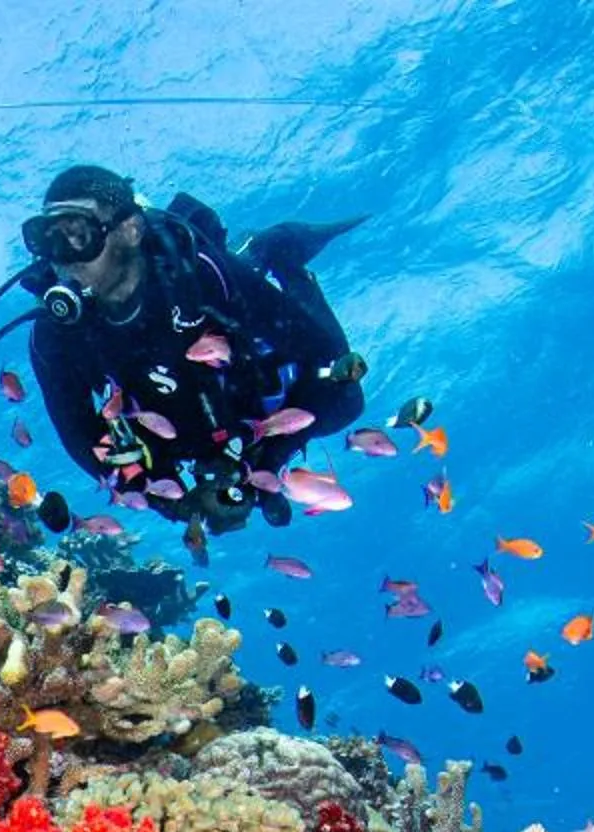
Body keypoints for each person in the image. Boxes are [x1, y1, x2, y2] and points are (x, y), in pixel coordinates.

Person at [20, 164, 370, 551]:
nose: (63, 259)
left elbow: (320, 351)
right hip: (168, 421)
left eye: (77, 235)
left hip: (243, 385)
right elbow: (79, 435)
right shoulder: (55, 333)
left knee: (346, 401)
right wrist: (174, 505)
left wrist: (264, 464)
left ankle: (274, 254)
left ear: (130, 230)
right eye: (46, 239)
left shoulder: (198, 274)